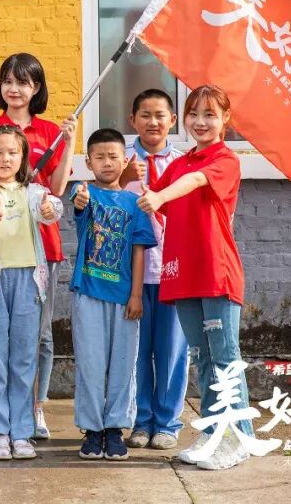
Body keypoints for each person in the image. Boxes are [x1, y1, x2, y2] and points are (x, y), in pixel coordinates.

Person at [137, 84, 252, 471]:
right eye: (193, 114)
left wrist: (160, 195)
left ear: (225, 119)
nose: (200, 122)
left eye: (209, 115)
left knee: (225, 357)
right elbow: (154, 194)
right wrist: (141, 185)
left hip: (216, 272)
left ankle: (238, 437)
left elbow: (196, 182)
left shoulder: (225, 160)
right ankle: (213, 432)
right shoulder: (180, 162)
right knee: (202, 358)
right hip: (183, 273)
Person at [0, 52, 76, 438]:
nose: (14, 88)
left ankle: (34, 408)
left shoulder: (50, 131)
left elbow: (56, 188)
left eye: (23, 82)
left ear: (36, 88)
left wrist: (70, 142)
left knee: (40, 335)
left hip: (40, 247)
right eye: (7, 80)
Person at [0, 125, 63, 461]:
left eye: (13, 152)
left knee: (24, 358)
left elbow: (50, 207)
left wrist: (51, 210)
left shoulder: (33, 191)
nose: (6, 159)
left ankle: (22, 432)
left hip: (28, 280)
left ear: (23, 158)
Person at [69, 129, 157, 461]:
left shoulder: (136, 203)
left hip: (124, 299)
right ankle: (92, 430)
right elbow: (78, 205)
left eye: (113, 157)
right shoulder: (86, 194)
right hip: (89, 294)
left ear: (125, 161)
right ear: (88, 162)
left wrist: (136, 295)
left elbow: (139, 251)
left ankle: (115, 428)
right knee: (90, 364)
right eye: (100, 157)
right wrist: (79, 200)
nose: (107, 162)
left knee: (123, 364)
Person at [118, 89, 188, 451]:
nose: (153, 122)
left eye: (160, 115)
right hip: (134, 273)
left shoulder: (184, 164)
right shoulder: (122, 162)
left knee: (172, 351)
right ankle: (141, 420)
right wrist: (123, 179)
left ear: (172, 121)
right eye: (144, 115)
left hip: (173, 269)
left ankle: (168, 422)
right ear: (133, 120)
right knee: (137, 352)